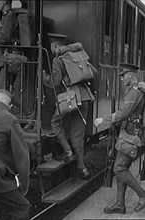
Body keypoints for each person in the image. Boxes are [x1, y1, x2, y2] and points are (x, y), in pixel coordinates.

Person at [94, 63, 145, 214]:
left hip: (131, 135)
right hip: (130, 133)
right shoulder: (135, 90)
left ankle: (143, 195)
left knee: (118, 168)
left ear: (131, 75)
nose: (121, 79)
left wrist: (103, 120)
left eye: (123, 76)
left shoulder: (134, 91)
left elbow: (124, 113)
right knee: (121, 167)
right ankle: (120, 204)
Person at [43, 33, 96, 179]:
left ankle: (68, 152)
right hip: (84, 98)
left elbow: (55, 82)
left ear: (54, 45)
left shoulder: (58, 60)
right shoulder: (79, 55)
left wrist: (44, 78)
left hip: (70, 99)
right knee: (77, 135)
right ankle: (82, 168)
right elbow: (94, 72)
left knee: (54, 122)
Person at [0, 89, 30, 220]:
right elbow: (22, 157)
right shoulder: (10, 119)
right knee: (22, 208)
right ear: (10, 106)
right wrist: (24, 185)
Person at [0, 0, 32, 117]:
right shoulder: (9, 15)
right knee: (10, 92)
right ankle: (29, 112)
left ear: (5, 1)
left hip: (9, 58)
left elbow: (5, 38)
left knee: (1, 91)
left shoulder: (9, 15)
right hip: (13, 57)